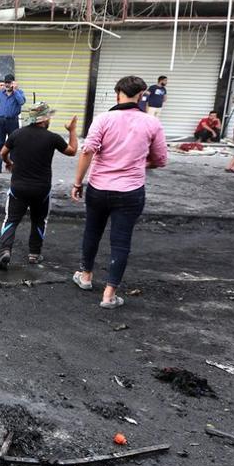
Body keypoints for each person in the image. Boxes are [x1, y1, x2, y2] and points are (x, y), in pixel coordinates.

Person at [71, 76, 168, 310]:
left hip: (99, 188)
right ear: (141, 95)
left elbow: (87, 152)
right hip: (130, 191)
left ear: (118, 94)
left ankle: (85, 276)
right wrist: (137, 163)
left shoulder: (103, 119)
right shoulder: (152, 123)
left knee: (92, 232)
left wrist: (77, 182)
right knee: (121, 241)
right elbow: (161, 159)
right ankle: (109, 295)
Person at [0, 103, 78, 270]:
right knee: (39, 220)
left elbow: (2, 152)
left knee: (11, 220)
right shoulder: (52, 137)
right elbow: (72, 151)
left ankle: (6, 250)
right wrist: (71, 130)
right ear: (45, 119)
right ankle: (34, 254)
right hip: (41, 189)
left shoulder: (16, 134)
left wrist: (8, 162)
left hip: (18, 188)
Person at [0, 74, 25, 173]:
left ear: (13, 83)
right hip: (1, 121)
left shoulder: (19, 92)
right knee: (0, 144)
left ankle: (13, 167)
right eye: (6, 83)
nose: (7, 85)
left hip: (13, 121)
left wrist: (15, 90)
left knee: (14, 144)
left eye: (9, 83)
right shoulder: (0, 93)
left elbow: (21, 102)